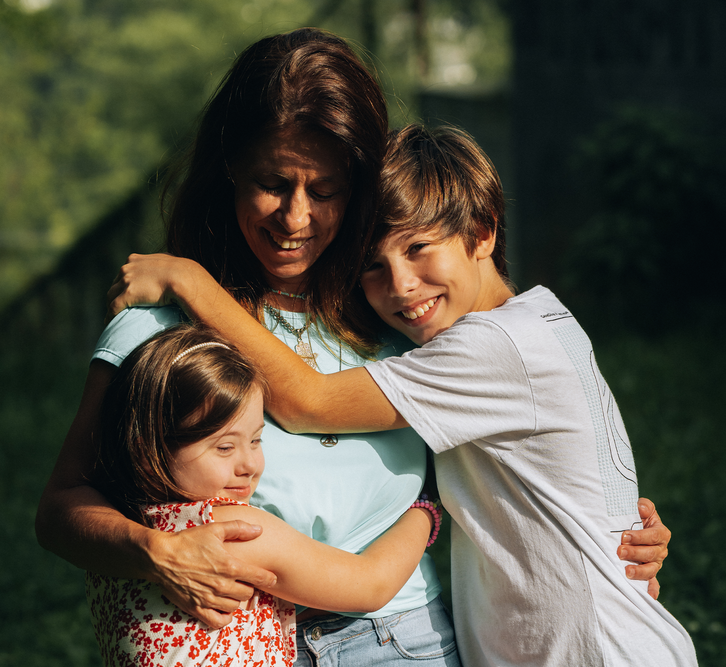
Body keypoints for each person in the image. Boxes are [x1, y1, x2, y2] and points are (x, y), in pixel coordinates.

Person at [36, 28, 669, 667]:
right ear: (227, 175)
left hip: (405, 644)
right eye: (272, 182)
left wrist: (613, 525)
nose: (295, 216)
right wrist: (153, 550)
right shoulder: (163, 331)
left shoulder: (407, 330)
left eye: (326, 189)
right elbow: (62, 507)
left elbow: (525, 448)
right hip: (239, 649)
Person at [87, 324, 438, 666]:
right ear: (149, 453)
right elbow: (369, 587)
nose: (250, 464)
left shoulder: (114, 536)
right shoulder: (230, 532)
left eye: (256, 439)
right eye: (224, 447)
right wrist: (427, 509)